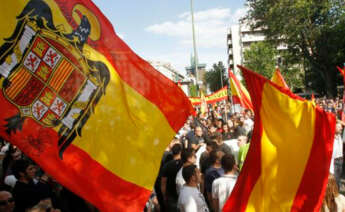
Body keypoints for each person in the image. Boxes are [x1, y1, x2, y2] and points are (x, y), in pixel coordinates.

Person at [161, 143, 183, 212]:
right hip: (182, 194)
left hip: (171, 196)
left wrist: (164, 196)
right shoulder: (184, 164)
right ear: (180, 152)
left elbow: (163, 183)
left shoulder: (166, 166)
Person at [332, 122, 343, 188]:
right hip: (334, 160)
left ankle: (337, 193)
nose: (341, 128)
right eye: (339, 127)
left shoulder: (340, 137)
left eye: (341, 127)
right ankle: (333, 194)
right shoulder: (332, 137)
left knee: (338, 178)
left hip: (340, 160)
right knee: (335, 178)